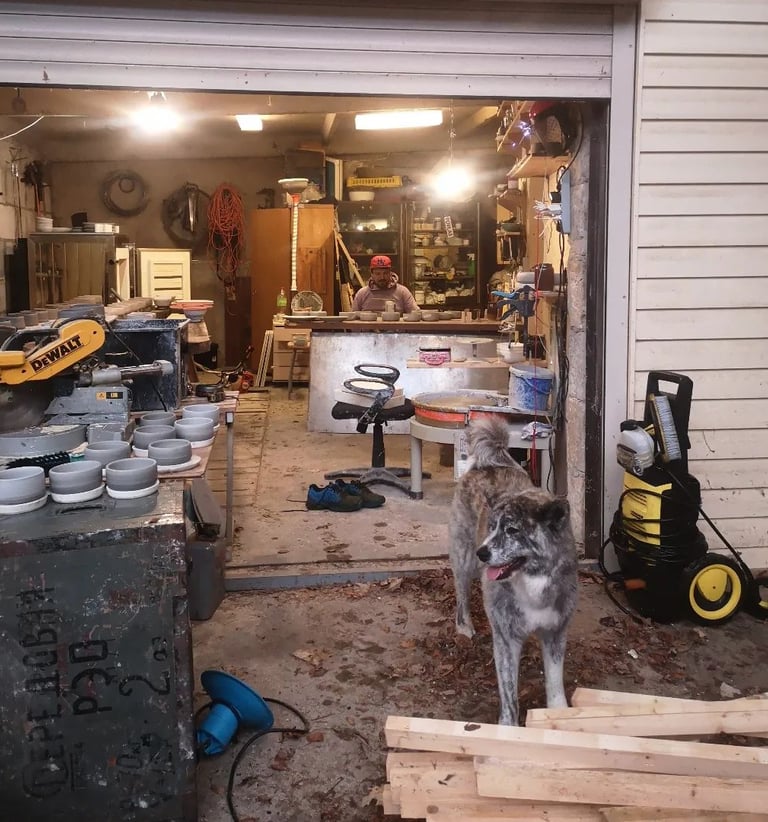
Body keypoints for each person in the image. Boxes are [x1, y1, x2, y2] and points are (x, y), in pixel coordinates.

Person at [351, 255, 418, 314]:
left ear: (390, 273)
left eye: (385, 273)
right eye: (378, 274)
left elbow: (416, 313)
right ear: (372, 274)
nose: (382, 277)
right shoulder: (362, 294)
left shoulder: (402, 292)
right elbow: (353, 318)